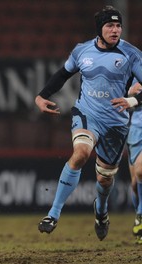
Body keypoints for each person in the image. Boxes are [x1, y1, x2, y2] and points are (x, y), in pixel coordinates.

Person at [35, 5, 142, 241]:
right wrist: (42, 95)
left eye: (118, 25)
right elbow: (63, 74)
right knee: (81, 153)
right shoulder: (82, 51)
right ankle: (53, 213)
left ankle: (101, 211)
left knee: (104, 179)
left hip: (116, 123)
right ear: (99, 29)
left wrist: (132, 99)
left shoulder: (132, 54)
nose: (115, 30)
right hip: (87, 114)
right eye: (110, 25)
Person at [126, 81, 142, 244]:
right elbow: (115, 97)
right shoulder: (131, 69)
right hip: (136, 131)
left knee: (140, 171)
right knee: (134, 184)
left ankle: (140, 215)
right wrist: (130, 92)